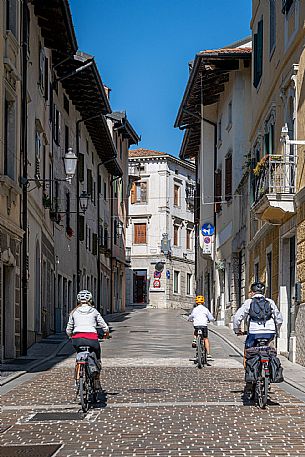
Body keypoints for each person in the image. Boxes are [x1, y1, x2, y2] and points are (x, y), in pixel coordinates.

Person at [66, 289, 109, 388]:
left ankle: (77, 378)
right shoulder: (94, 311)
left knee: (79, 354)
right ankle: (97, 379)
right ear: (90, 299)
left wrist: (70, 335)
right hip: (92, 340)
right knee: (97, 358)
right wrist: (106, 333)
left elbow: (69, 329)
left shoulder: (74, 312)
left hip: (77, 340)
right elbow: (104, 325)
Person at [233, 281, 283, 348]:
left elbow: (237, 317)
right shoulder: (270, 302)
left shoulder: (249, 302)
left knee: (249, 349)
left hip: (254, 331)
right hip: (270, 331)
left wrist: (237, 330)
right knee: (270, 350)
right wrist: (276, 329)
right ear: (263, 292)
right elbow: (279, 319)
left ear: (252, 292)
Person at [188, 295, 215, 360]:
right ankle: (208, 354)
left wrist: (189, 319)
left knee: (195, 331)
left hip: (197, 325)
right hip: (204, 325)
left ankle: (194, 340)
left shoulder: (195, 309)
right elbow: (211, 318)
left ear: (196, 302)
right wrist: (212, 320)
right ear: (203, 302)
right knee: (205, 339)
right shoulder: (205, 309)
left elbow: (191, 316)